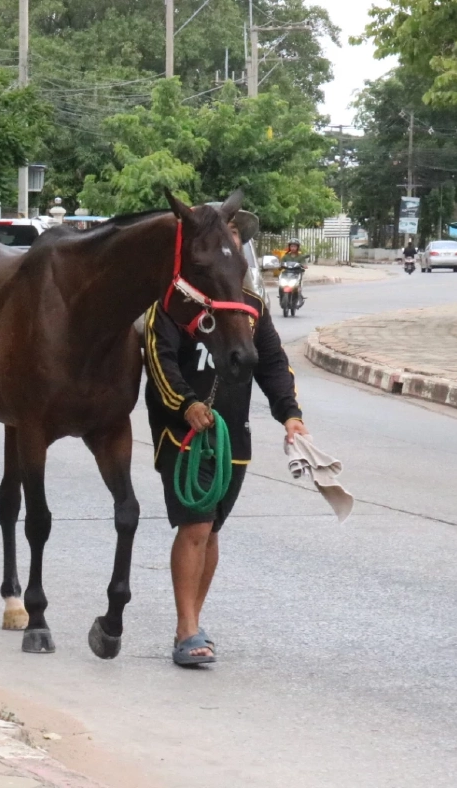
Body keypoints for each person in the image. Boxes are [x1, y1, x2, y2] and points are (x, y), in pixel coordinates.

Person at [144, 208, 309, 667]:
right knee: (195, 525)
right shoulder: (173, 304)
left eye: (234, 240)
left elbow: (273, 364)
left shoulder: (253, 308)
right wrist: (185, 405)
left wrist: (290, 415)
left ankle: (194, 618)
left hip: (234, 434)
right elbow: (159, 361)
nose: (229, 246)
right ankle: (186, 630)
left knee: (212, 530)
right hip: (184, 435)